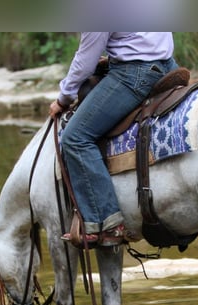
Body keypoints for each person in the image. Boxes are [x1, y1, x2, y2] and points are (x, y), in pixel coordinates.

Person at [49, 32, 178, 247]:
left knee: (75, 137)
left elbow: (85, 62)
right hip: (168, 65)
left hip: (134, 73)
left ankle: (106, 221)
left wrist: (64, 98)